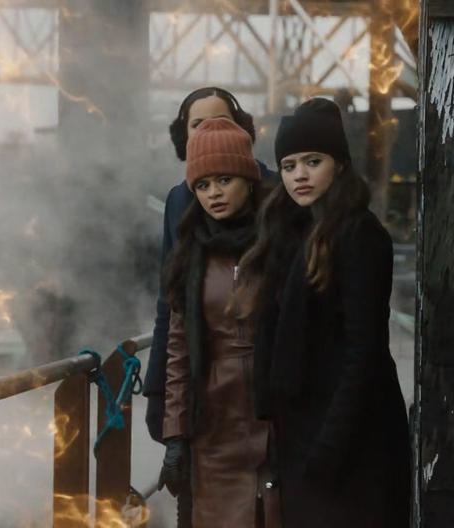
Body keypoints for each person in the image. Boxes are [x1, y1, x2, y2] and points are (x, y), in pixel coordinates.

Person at [239, 98, 411, 526]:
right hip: (305, 434)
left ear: (339, 164)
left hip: (353, 440)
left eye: (313, 161)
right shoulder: (292, 235)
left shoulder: (359, 235)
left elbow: (364, 352)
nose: (299, 175)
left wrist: (328, 448)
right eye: (290, 165)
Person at [157, 118, 280, 527]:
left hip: (278, 412)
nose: (214, 194)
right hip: (213, 419)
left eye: (224, 180)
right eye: (203, 185)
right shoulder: (189, 254)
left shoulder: (282, 241)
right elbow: (179, 352)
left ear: (248, 178)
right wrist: (175, 436)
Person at [143, 87, 275, 443]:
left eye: (221, 122)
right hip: (204, 381)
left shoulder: (276, 191)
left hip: (268, 383)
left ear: (242, 130)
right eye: (198, 125)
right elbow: (168, 302)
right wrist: (156, 390)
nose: (209, 132)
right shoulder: (178, 200)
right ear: (184, 137)